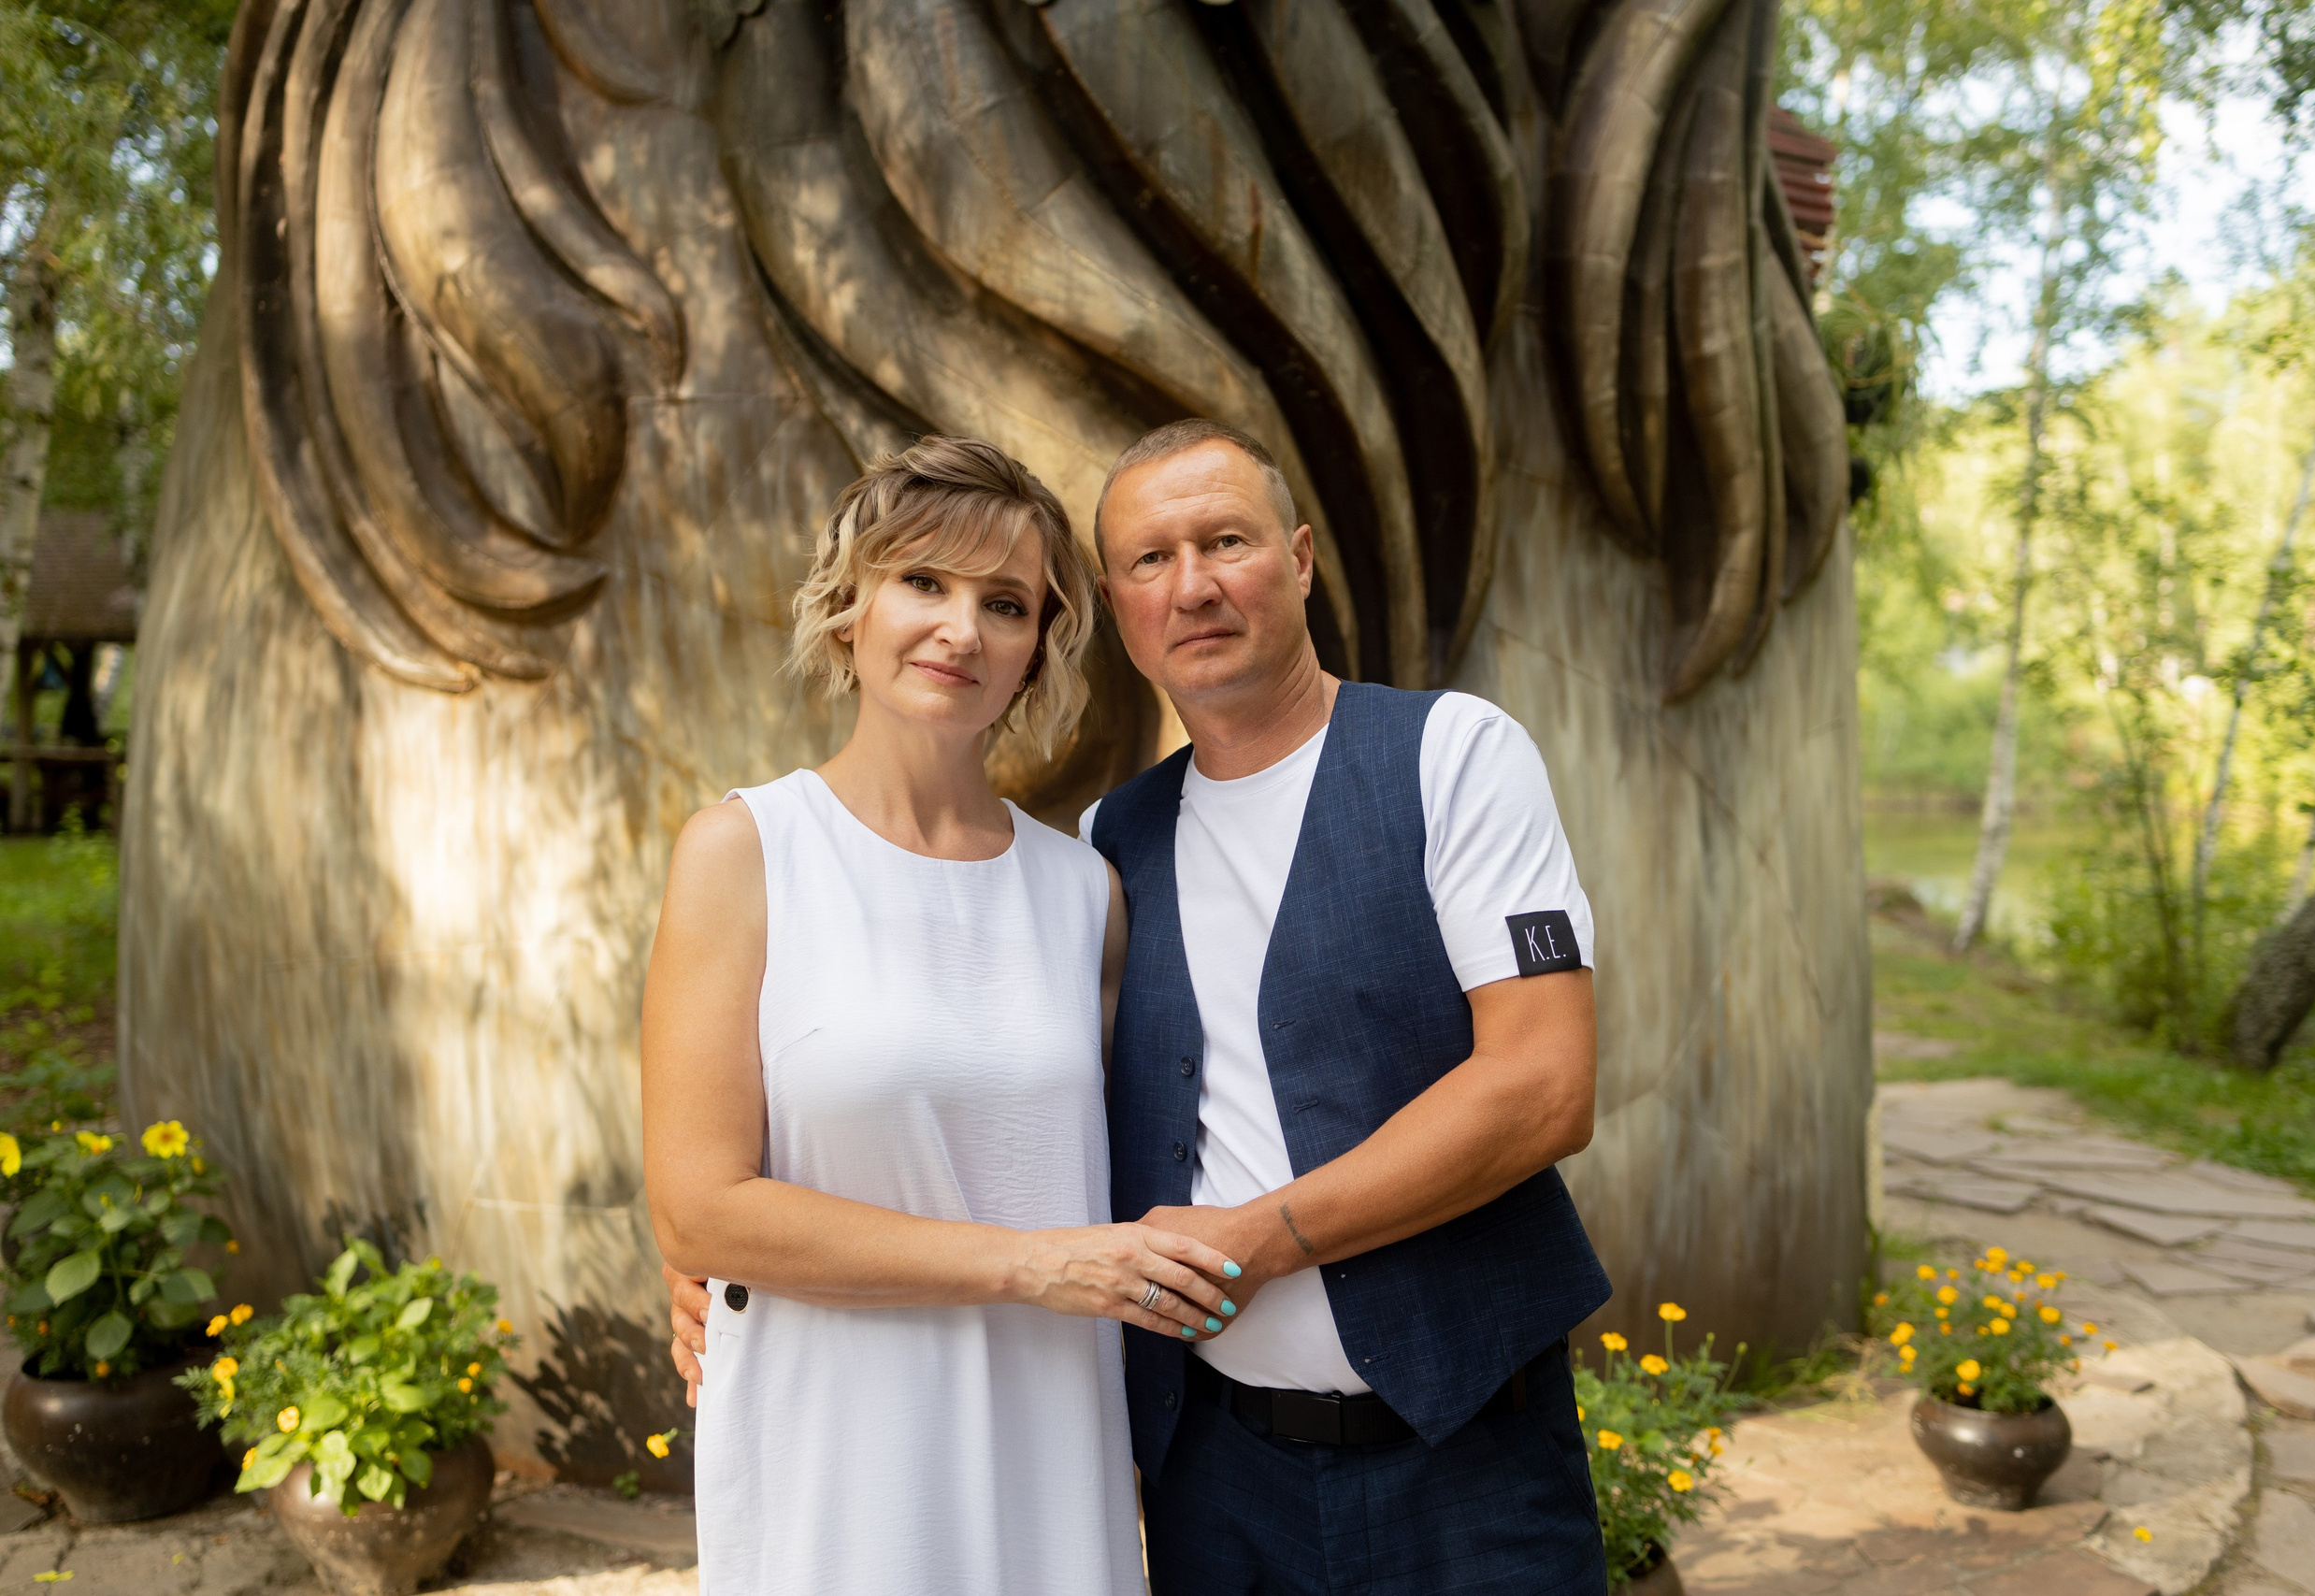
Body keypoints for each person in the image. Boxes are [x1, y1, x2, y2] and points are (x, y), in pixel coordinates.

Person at [669, 419, 1612, 1593]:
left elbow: (1542, 1088)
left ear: (1300, 560)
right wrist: (724, 1251)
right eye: (1151, 560)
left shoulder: (1443, 757)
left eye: (1226, 542)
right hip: (1212, 1475)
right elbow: (774, 1162)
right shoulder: (1118, 842)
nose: (1193, 586)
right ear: (1117, 608)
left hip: (1463, 1458)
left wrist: (1258, 1239)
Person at [640, 436, 1242, 1596]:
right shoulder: (747, 852)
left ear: (1036, 650)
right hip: (834, 1456)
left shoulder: (1084, 894)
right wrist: (1029, 1265)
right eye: (923, 581)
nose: (960, 630)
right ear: (850, 606)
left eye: (1004, 603)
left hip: (1046, 1444)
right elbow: (699, 1210)